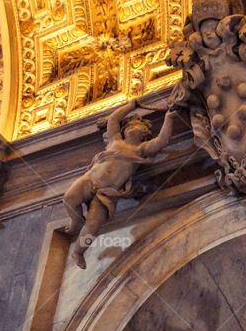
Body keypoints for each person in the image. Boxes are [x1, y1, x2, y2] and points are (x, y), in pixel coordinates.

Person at [61, 100, 176, 267]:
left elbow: (162, 141)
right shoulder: (115, 140)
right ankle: (76, 222)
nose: (131, 127)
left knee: (93, 226)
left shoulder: (141, 150)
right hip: (90, 180)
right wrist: (131, 105)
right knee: (69, 198)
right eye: (129, 125)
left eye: (137, 126)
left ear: (145, 133)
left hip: (107, 193)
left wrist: (169, 117)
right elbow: (113, 120)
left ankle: (78, 252)